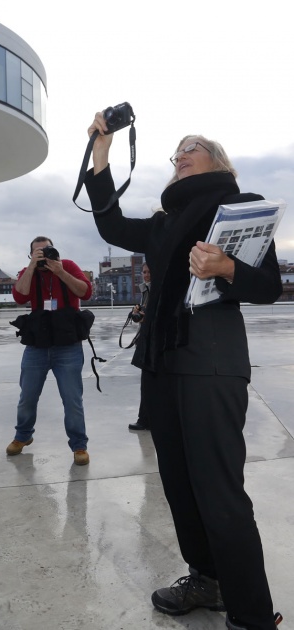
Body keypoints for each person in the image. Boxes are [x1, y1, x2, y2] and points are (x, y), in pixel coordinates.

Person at [83, 113, 283, 630]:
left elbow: (266, 287)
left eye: (190, 146)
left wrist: (226, 268)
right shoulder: (164, 221)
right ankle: (206, 579)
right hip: (162, 363)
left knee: (218, 489)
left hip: (211, 359)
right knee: (178, 483)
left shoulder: (239, 208)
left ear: (217, 160)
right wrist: (101, 150)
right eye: (175, 153)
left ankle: (254, 614)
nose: (180, 154)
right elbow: (110, 223)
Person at [6, 236, 93, 466]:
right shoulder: (29, 270)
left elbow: (85, 292)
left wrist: (60, 272)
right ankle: (23, 435)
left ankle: (79, 445)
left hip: (68, 346)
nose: (44, 255)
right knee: (27, 396)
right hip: (37, 345)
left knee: (72, 398)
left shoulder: (69, 266)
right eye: (38, 252)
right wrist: (33, 266)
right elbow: (19, 296)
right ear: (31, 255)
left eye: (47, 250)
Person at [128, 262, 151, 430]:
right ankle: (145, 419)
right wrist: (137, 312)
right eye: (144, 272)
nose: (146, 275)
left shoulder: (155, 289)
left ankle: (145, 420)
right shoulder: (146, 289)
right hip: (146, 338)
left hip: (153, 341)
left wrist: (145, 317)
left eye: (149, 272)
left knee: (150, 382)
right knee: (147, 381)